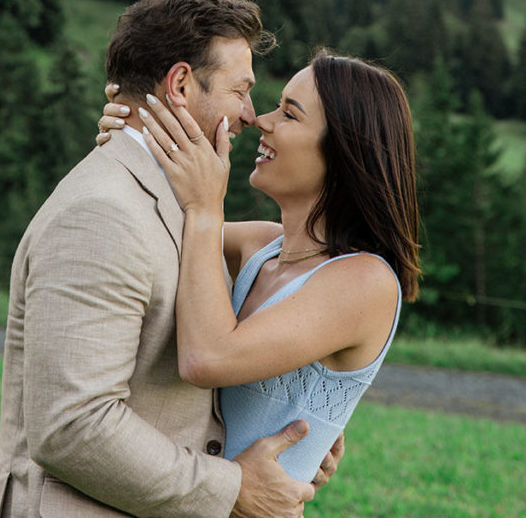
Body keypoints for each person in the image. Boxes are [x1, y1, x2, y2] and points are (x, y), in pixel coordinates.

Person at [0, 0, 343, 518]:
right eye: (240, 91)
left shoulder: (179, 203)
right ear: (179, 84)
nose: (249, 114)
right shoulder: (102, 213)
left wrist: (296, 435)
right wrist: (232, 488)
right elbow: (72, 426)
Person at [98, 46, 420, 482]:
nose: (260, 120)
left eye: (289, 114)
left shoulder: (365, 282)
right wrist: (132, 136)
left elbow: (206, 358)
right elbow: (150, 230)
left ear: (343, 151)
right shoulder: (261, 245)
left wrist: (208, 205)